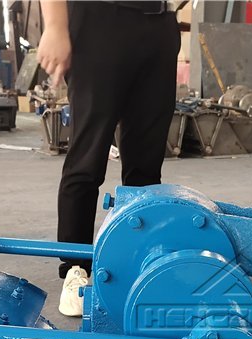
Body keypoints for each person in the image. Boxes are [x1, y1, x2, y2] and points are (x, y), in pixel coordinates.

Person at [37, 0, 181, 316]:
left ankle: (138, 263)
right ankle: (75, 269)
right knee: (87, 158)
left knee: (146, 165)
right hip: (97, 20)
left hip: (159, 23)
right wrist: (55, 26)